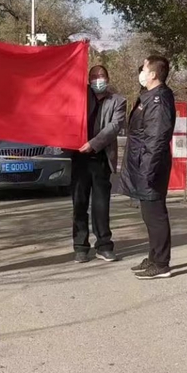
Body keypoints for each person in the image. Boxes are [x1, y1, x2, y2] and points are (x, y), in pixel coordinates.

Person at [120, 55, 176, 280]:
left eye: (144, 68)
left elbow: (156, 140)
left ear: (153, 74)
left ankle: (161, 263)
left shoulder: (158, 100)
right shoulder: (149, 96)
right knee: (148, 214)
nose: (140, 72)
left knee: (156, 215)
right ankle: (153, 257)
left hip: (151, 166)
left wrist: (147, 171)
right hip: (143, 163)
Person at [71, 65, 127, 263]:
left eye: (101, 75)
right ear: (88, 80)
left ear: (108, 78)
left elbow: (114, 127)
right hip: (79, 157)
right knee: (79, 203)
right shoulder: (78, 97)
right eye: (94, 76)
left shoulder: (118, 101)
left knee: (101, 204)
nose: (98, 79)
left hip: (101, 158)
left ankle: (104, 245)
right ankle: (80, 246)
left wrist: (93, 144)